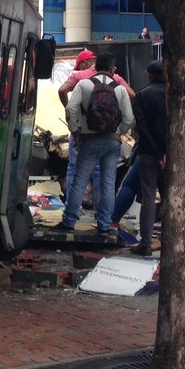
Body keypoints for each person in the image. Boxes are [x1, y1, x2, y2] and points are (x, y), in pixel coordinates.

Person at [61, 54, 135, 234]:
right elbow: (129, 118)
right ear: (112, 70)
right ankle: (104, 223)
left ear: (95, 67)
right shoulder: (119, 89)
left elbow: (71, 108)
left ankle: (70, 221)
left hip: (89, 140)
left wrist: (76, 131)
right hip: (112, 142)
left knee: (79, 180)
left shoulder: (84, 84)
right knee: (108, 183)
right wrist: (119, 132)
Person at [130, 60, 169, 257]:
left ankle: (145, 243)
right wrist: (164, 152)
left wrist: (155, 151)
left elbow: (141, 127)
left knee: (148, 198)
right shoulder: (173, 95)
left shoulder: (142, 95)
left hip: (148, 153)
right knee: (169, 198)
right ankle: (169, 241)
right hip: (170, 154)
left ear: (150, 75)